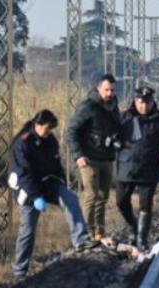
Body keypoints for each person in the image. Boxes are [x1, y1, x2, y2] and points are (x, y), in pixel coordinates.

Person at [9, 110, 99, 277]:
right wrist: (36, 197)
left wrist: (61, 183)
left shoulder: (50, 140)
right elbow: (24, 174)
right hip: (28, 189)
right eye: (47, 128)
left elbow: (57, 165)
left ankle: (81, 240)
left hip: (48, 183)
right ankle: (20, 270)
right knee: (28, 229)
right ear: (38, 125)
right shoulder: (21, 143)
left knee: (71, 198)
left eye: (51, 129)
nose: (49, 132)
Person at [115, 87, 159, 250]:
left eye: (148, 102)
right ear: (135, 101)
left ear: (153, 102)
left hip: (149, 167)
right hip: (126, 166)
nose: (144, 106)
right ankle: (133, 227)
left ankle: (141, 239)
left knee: (145, 205)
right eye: (141, 102)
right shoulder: (124, 117)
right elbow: (112, 134)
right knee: (121, 201)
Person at [66, 74, 121, 241]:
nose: (110, 93)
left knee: (103, 196)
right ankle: (86, 234)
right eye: (106, 90)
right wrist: (78, 155)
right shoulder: (88, 106)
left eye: (112, 90)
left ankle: (100, 231)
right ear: (98, 89)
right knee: (91, 195)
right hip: (88, 159)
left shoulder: (114, 107)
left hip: (107, 158)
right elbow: (71, 131)